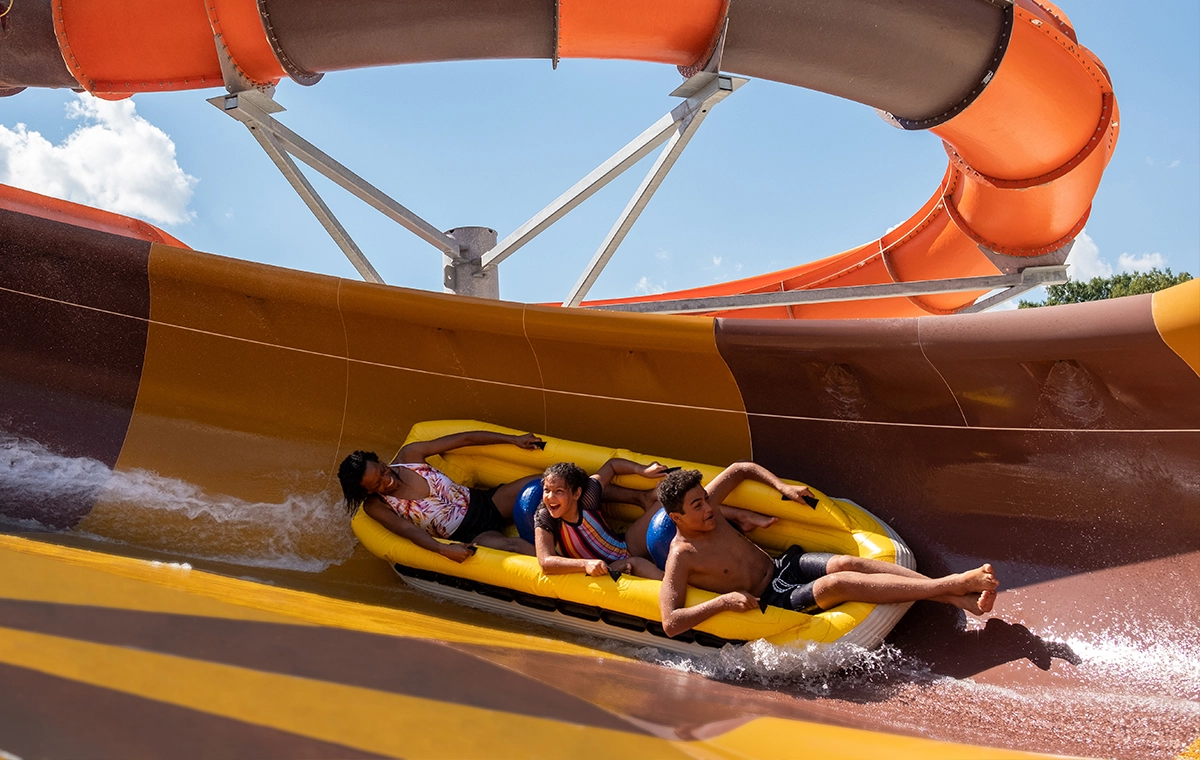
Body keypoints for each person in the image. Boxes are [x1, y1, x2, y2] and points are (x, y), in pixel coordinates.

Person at [656, 465, 999, 637]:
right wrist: (723, 602)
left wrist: (782, 487)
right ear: (676, 518)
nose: (709, 508)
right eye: (698, 505)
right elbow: (671, 623)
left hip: (782, 566)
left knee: (848, 563)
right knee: (838, 584)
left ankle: (956, 597)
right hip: (772, 599)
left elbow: (740, 468)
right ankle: (953, 584)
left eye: (706, 498)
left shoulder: (710, 507)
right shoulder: (682, 556)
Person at [338, 429, 544, 562]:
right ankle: (561, 567)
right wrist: (442, 549)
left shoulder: (410, 456)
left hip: (488, 502)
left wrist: (513, 439)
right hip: (472, 534)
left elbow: (465, 439)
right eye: (378, 483)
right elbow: (408, 530)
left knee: (545, 482)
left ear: (379, 461)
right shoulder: (377, 506)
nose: (388, 480)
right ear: (368, 490)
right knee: (515, 546)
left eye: (383, 470)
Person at [534, 460, 667, 580]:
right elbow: (546, 562)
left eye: (559, 491)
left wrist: (642, 469)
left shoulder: (587, 499)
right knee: (636, 563)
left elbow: (612, 465)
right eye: (547, 490)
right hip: (604, 568)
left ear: (577, 493)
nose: (550, 497)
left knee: (666, 502)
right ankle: (672, 587)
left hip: (625, 546)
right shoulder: (545, 518)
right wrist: (586, 564)